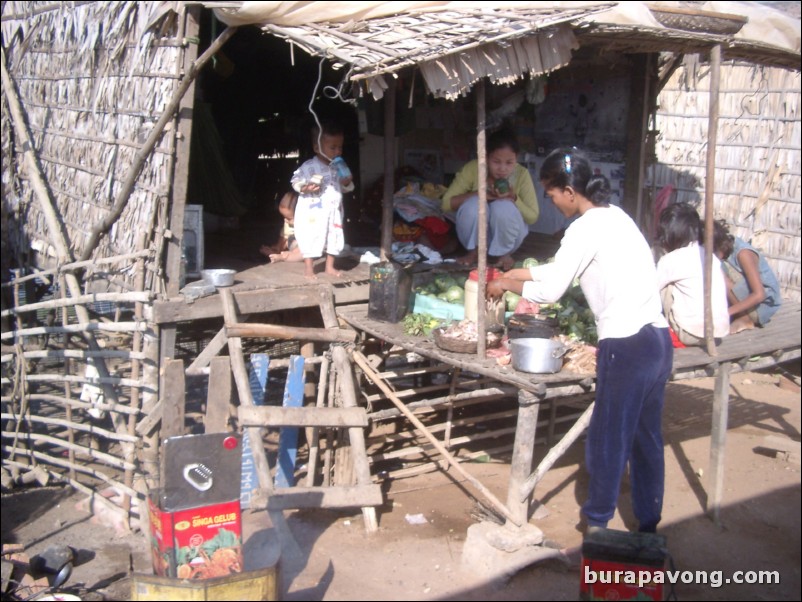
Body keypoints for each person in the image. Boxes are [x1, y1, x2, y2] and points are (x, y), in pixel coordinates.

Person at [487, 148, 672, 533]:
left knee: (608, 439)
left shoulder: (583, 228)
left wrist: (506, 284)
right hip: (657, 339)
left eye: (552, 195)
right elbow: (561, 268)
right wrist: (517, 272)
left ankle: (596, 529)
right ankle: (649, 527)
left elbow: (553, 289)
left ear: (570, 191)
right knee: (646, 438)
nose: (552, 203)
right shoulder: (617, 217)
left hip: (626, 346)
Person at [441, 128, 539, 270]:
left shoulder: (522, 175)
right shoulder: (473, 169)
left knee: (503, 206)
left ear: (516, 159)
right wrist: (481, 194)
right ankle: (474, 252)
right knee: (474, 204)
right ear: (486, 157)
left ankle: (503, 254)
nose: (502, 169)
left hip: (509, 241)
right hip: (472, 240)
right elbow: (445, 204)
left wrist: (514, 198)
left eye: (509, 162)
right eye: (496, 162)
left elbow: (532, 217)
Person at [655, 203, 730, 346]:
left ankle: (668, 332)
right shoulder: (709, 255)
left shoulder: (671, 260)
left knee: (665, 287)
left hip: (690, 334)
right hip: (717, 334)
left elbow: (650, 291)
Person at [290, 120, 354, 278]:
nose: (337, 151)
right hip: (313, 213)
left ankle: (329, 266)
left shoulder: (338, 167)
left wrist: (347, 181)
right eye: (333, 147)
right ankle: (309, 268)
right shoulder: (309, 166)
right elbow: (295, 180)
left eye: (340, 147)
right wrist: (305, 187)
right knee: (311, 237)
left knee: (334, 236)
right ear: (317, 147)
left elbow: (346, 186)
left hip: (334, 211)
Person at [713, 219, 782, 333]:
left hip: (762, 307)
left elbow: (759, 294)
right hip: (747, 301)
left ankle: (745, 318)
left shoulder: (743, 254)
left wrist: (725, 313)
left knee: (718, 272)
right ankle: (738, 313)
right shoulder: (726, 251)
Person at [260, 191, 302, 263]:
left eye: (289, 218)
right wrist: (278, 248)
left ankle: (283, 257)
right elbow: (284, 237)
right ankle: (277, 255)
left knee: (301, 252)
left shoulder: (308, 225)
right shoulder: (287, 223)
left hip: (305, 246)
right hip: (292, 244)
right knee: (285, 244)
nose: (285, 220)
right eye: (284, 217)